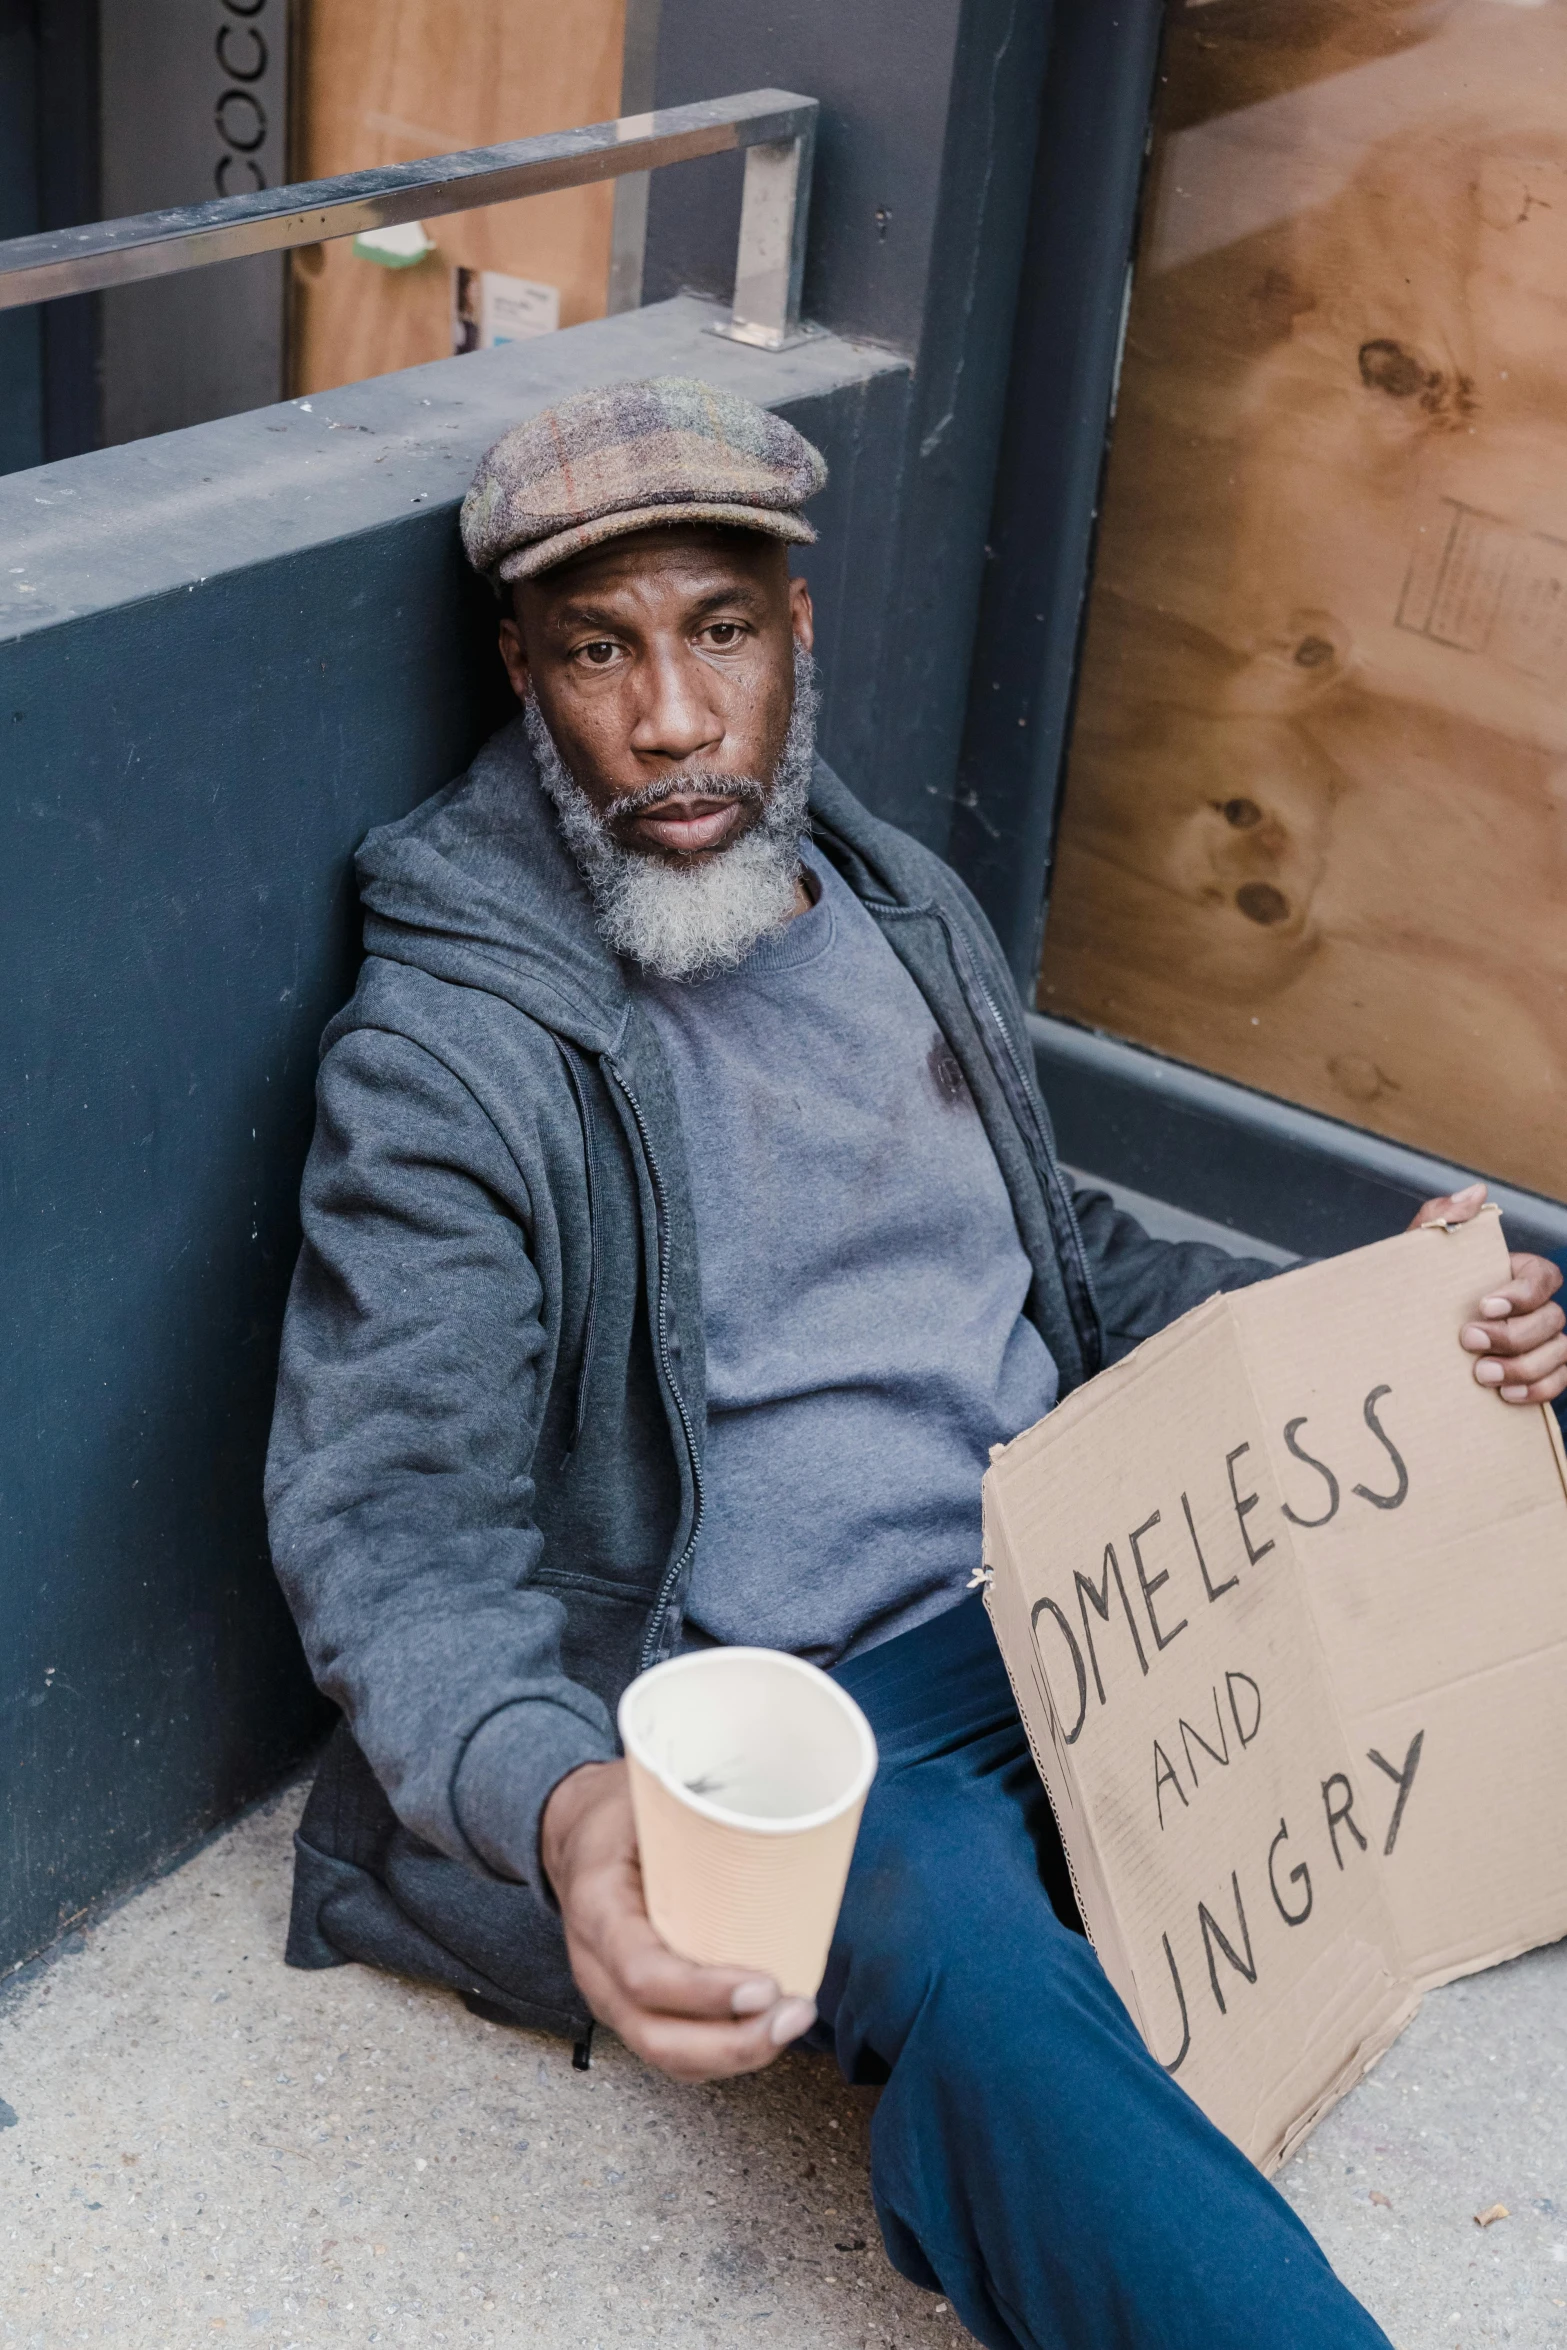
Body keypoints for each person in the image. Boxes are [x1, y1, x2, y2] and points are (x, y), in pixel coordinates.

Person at [264, 375, 1567, 2350]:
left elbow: (1072, 1262)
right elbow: (392, 1547)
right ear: (522, 674)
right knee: (951, 1910)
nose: (674, 717)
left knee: (1506, 1427)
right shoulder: (449, 1058)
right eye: (600, 650)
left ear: (800, 636)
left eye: (716, 630)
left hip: (1088, 1582)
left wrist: (1370, 1321)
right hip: (807, 1708)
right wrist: (566, 1808)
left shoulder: (892, 904)